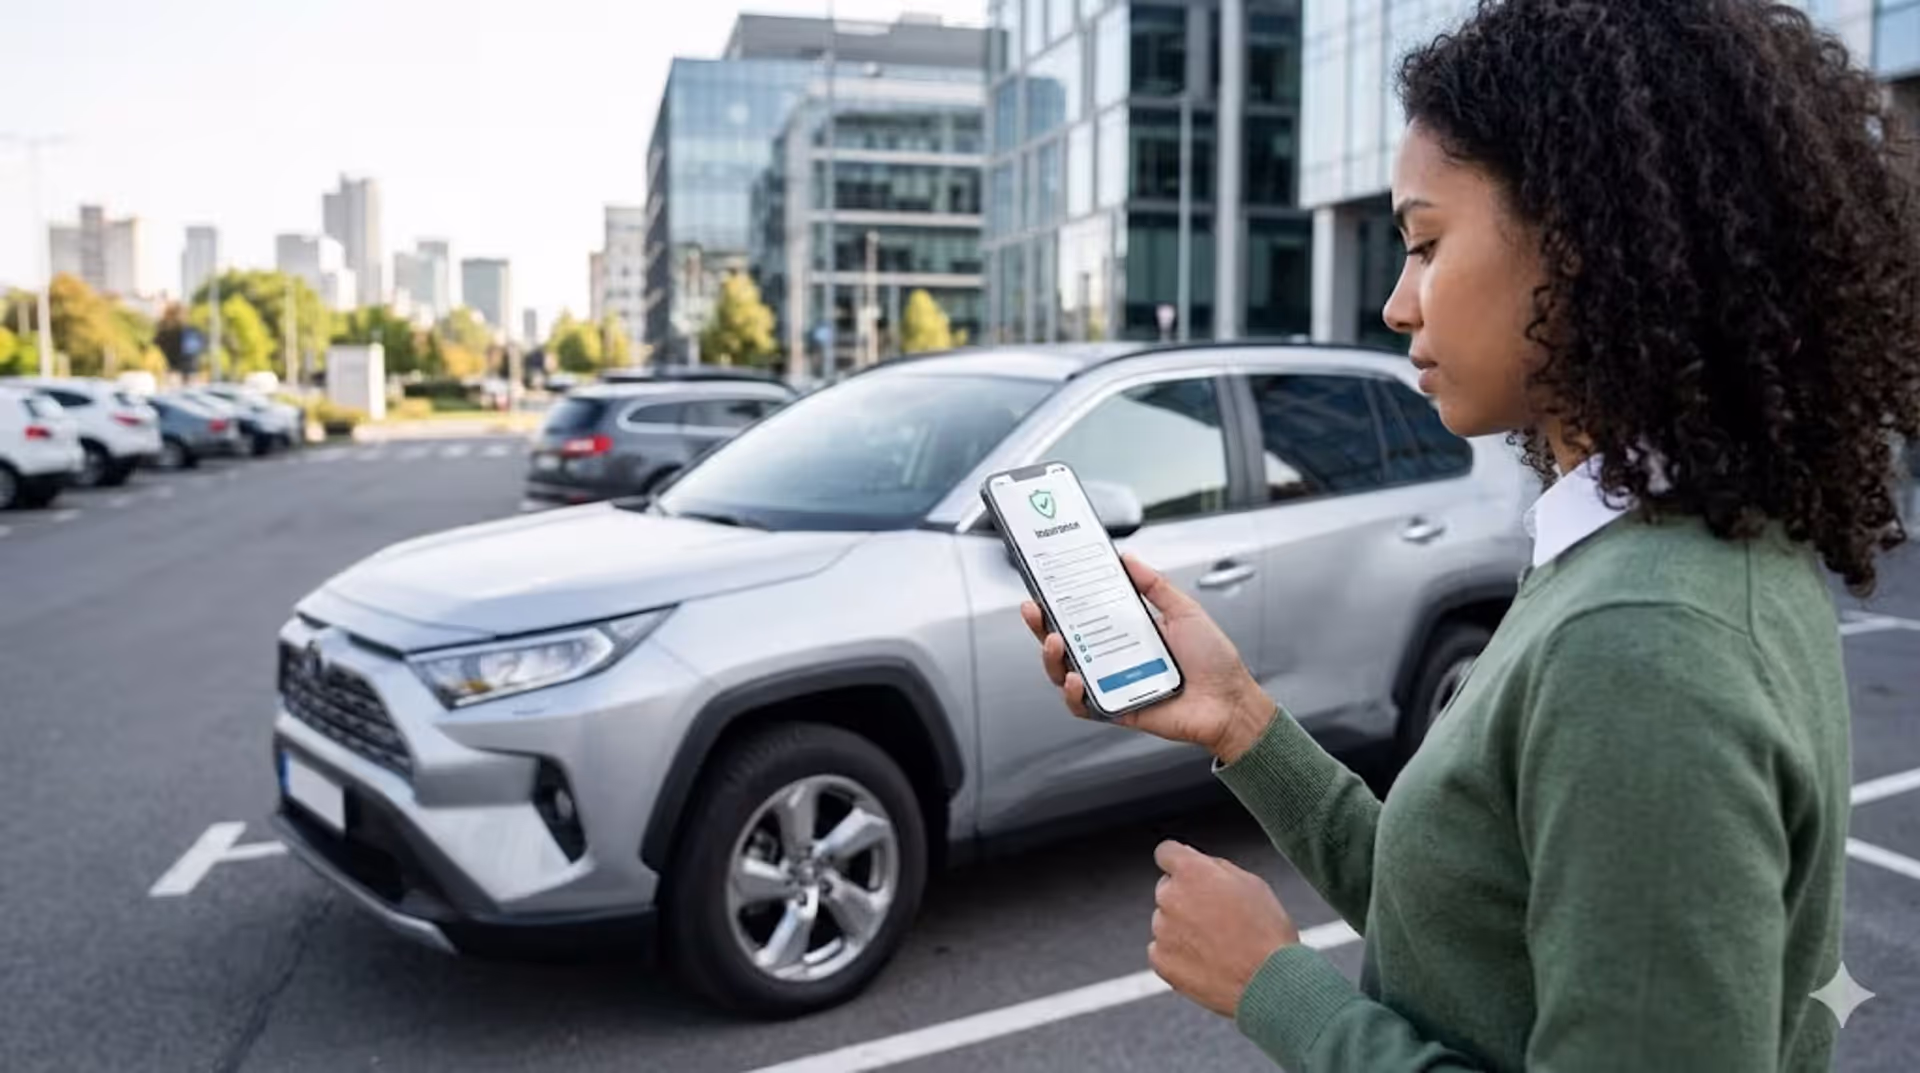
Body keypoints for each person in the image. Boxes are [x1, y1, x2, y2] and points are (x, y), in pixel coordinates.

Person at [1022, 1, 1920, 1069]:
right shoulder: (1667, 550)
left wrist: (1276, 985)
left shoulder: (1647, 639)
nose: (1398, 303)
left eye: (1426, 242)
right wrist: (1243, 722)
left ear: (1584, 240)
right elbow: (1470, 916)